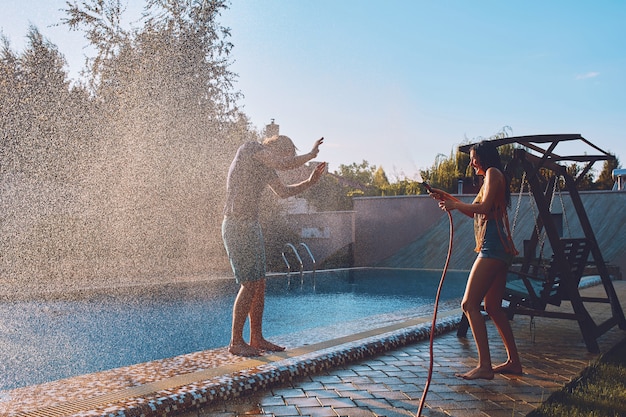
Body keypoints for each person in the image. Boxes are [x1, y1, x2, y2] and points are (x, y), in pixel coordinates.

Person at [222, 135, 326, 357]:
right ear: (274, 148)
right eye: (285, 154)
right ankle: (236, 342)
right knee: (249, 283)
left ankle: (256, 338)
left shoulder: (266, 169)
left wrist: (310, 182)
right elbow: (282, 164)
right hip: (236, 225)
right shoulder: (250, 148)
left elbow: (283, 191)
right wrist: (310, 155)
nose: (285, 160)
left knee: (259, 282)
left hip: (251, 225)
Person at [430, 140, 522, 380]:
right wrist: (447, 198)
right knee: (492, 307)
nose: (471, 163)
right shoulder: (492, 177)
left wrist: (454, 203)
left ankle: (484, 366)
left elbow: (484, 207)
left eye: (473, 158)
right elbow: (474, 209)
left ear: (483, 158)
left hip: (492, 247)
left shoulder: (492, 173)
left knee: (469, 304)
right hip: (499, 248)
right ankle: (514, 362)